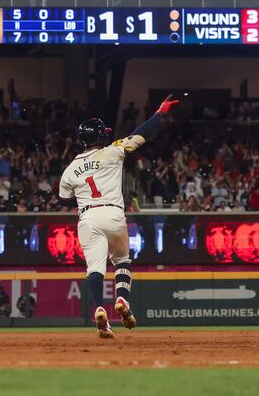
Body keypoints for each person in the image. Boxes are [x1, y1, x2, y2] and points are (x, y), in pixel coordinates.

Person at [58, 95, 181, 339]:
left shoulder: (71, 167)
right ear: (100, 136)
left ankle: (100, 310)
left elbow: (63, 198)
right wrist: (159, 113)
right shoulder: (112, 152)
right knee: (122, 262)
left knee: (95, 270)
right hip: (113, 213)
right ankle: (122, 299)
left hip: (88, 217)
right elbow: (140, 135)